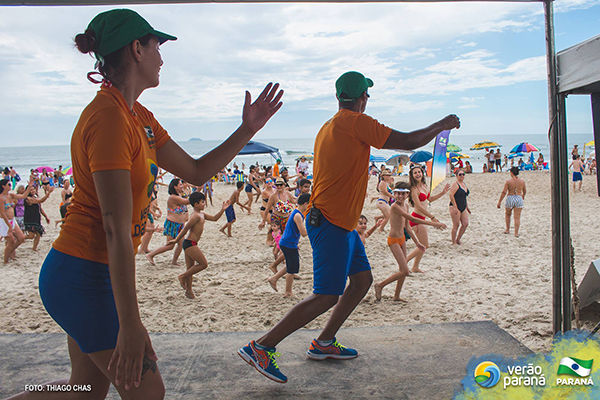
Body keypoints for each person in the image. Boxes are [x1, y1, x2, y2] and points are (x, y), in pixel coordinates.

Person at [11, 9, 284, 400]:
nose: (162, 56)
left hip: (93, 274)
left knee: (83, 391)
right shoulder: (108, 118)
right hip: (79, 275)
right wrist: (131, 324)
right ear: (136, 49)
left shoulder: (138, 116)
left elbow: (195, 169)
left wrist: (247, 129)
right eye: (158, 45)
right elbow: (114, 229)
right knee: (147, 391)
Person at [238, 71, 459, 383]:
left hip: (340, 224)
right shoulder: (356, 122)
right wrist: (442, 124)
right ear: (363, 99)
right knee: (326, 295)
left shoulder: (329, 126)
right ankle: (261, 347)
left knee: (361, 281)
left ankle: (324, 341)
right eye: (366, 96)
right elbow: (408, 141)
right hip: (330, 222)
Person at [374, 182, 444, 302]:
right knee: (405, 271)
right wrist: (433, 223)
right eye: (398, 193)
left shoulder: (406, 205)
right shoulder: (395, 206)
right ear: (394, 194)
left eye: (403, 194)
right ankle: (380, 285)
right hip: (393, 240)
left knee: (403, 268)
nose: (400, 196)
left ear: (407, 194)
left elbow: (408, 226)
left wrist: (417, 243)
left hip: (402, 239)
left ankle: (396, 296)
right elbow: (412, 218)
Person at [167, 192, 229, 299]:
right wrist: (176, 240)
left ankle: (189, 292)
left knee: (190, 268)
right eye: (202, 202)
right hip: (189, 243)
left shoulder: (202, 214)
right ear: (196, 204)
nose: (204, 204)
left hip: (192, 243)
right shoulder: (195, 216)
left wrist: (223, 209)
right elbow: (186, 228)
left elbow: (214, 218)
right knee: (203, 264)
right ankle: (182, 276)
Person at [405, 164, 449, 273]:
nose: (417, 174)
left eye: (419, 172)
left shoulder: (424, 186)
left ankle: (415, 267)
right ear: (412, 175)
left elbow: (430, 199)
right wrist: (432, 218)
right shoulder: (413, 189)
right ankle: (404, 262)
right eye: (415, 173)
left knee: (423, 245)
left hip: (422, 218)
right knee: (424, 245)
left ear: (422, 173)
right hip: (416, 218)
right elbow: (418, 206)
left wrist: (442, 193)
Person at [267, 193, 310, 298]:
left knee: (290, 265)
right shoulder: (298, 215)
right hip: (288, 243)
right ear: (305, 204)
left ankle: (274, 279)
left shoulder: (296, 212)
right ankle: (288, 292)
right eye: (310, 204)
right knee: (292, 268)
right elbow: (303, 233)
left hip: (288, 242)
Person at [146, 178, 189, 266]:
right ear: (175, 187)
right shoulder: (173, 197)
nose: (182, 186)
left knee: (181, 244)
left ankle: (174, 261)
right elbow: (187, 201)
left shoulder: (179, 196)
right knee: (170, 246)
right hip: (172, 224)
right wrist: (198, 192)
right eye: (180, 184)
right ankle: (151, 255)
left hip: (180, 224)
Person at [0, 179, 32, 263]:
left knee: (21, 238)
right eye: (9, 185)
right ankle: (5, 260)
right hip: (4, 221)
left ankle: (10, 252)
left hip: (12, 220)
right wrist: (9, 226)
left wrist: (29, 186)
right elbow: (2, 213)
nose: (10, 186)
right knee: (10, 241)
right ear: (3, 186)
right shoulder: (1, 198)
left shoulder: (10, 195)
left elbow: (23, 196)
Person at [497, 167, 526, 237]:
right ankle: (516, 233)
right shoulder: (522, 182)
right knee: (517, 217)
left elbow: (504, 192)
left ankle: (507, 229)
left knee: (508, 215)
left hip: (510, 197)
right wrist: (523, 196)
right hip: (518, 197)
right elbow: (524, 191)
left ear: (512, 173)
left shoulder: (508, 182)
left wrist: (499, 202)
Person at [23, 185, 53, 251]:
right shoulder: (28, 199)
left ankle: (34, 248)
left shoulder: (34, 197)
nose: (33, 191)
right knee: (31, 236)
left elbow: (40, 209)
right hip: (30, 219)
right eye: (31, 190)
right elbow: (41, 200)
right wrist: (49, 193)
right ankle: (19, 238)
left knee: (38, 233)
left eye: (34, 189)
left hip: (36, 218)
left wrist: (46, 217)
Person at [448, 168, 470, 245]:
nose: (462, 176)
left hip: (463, 205)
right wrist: (455, 207)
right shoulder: (455, 184)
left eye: (463, 174)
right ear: (456, 176)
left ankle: (458, 239)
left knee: (465, 224)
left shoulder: (464, 184)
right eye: (460, 174)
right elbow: (451, 195)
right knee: (456, 225)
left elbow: (464, 196)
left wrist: (467, 206)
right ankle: (453, 242)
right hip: (454, 206)